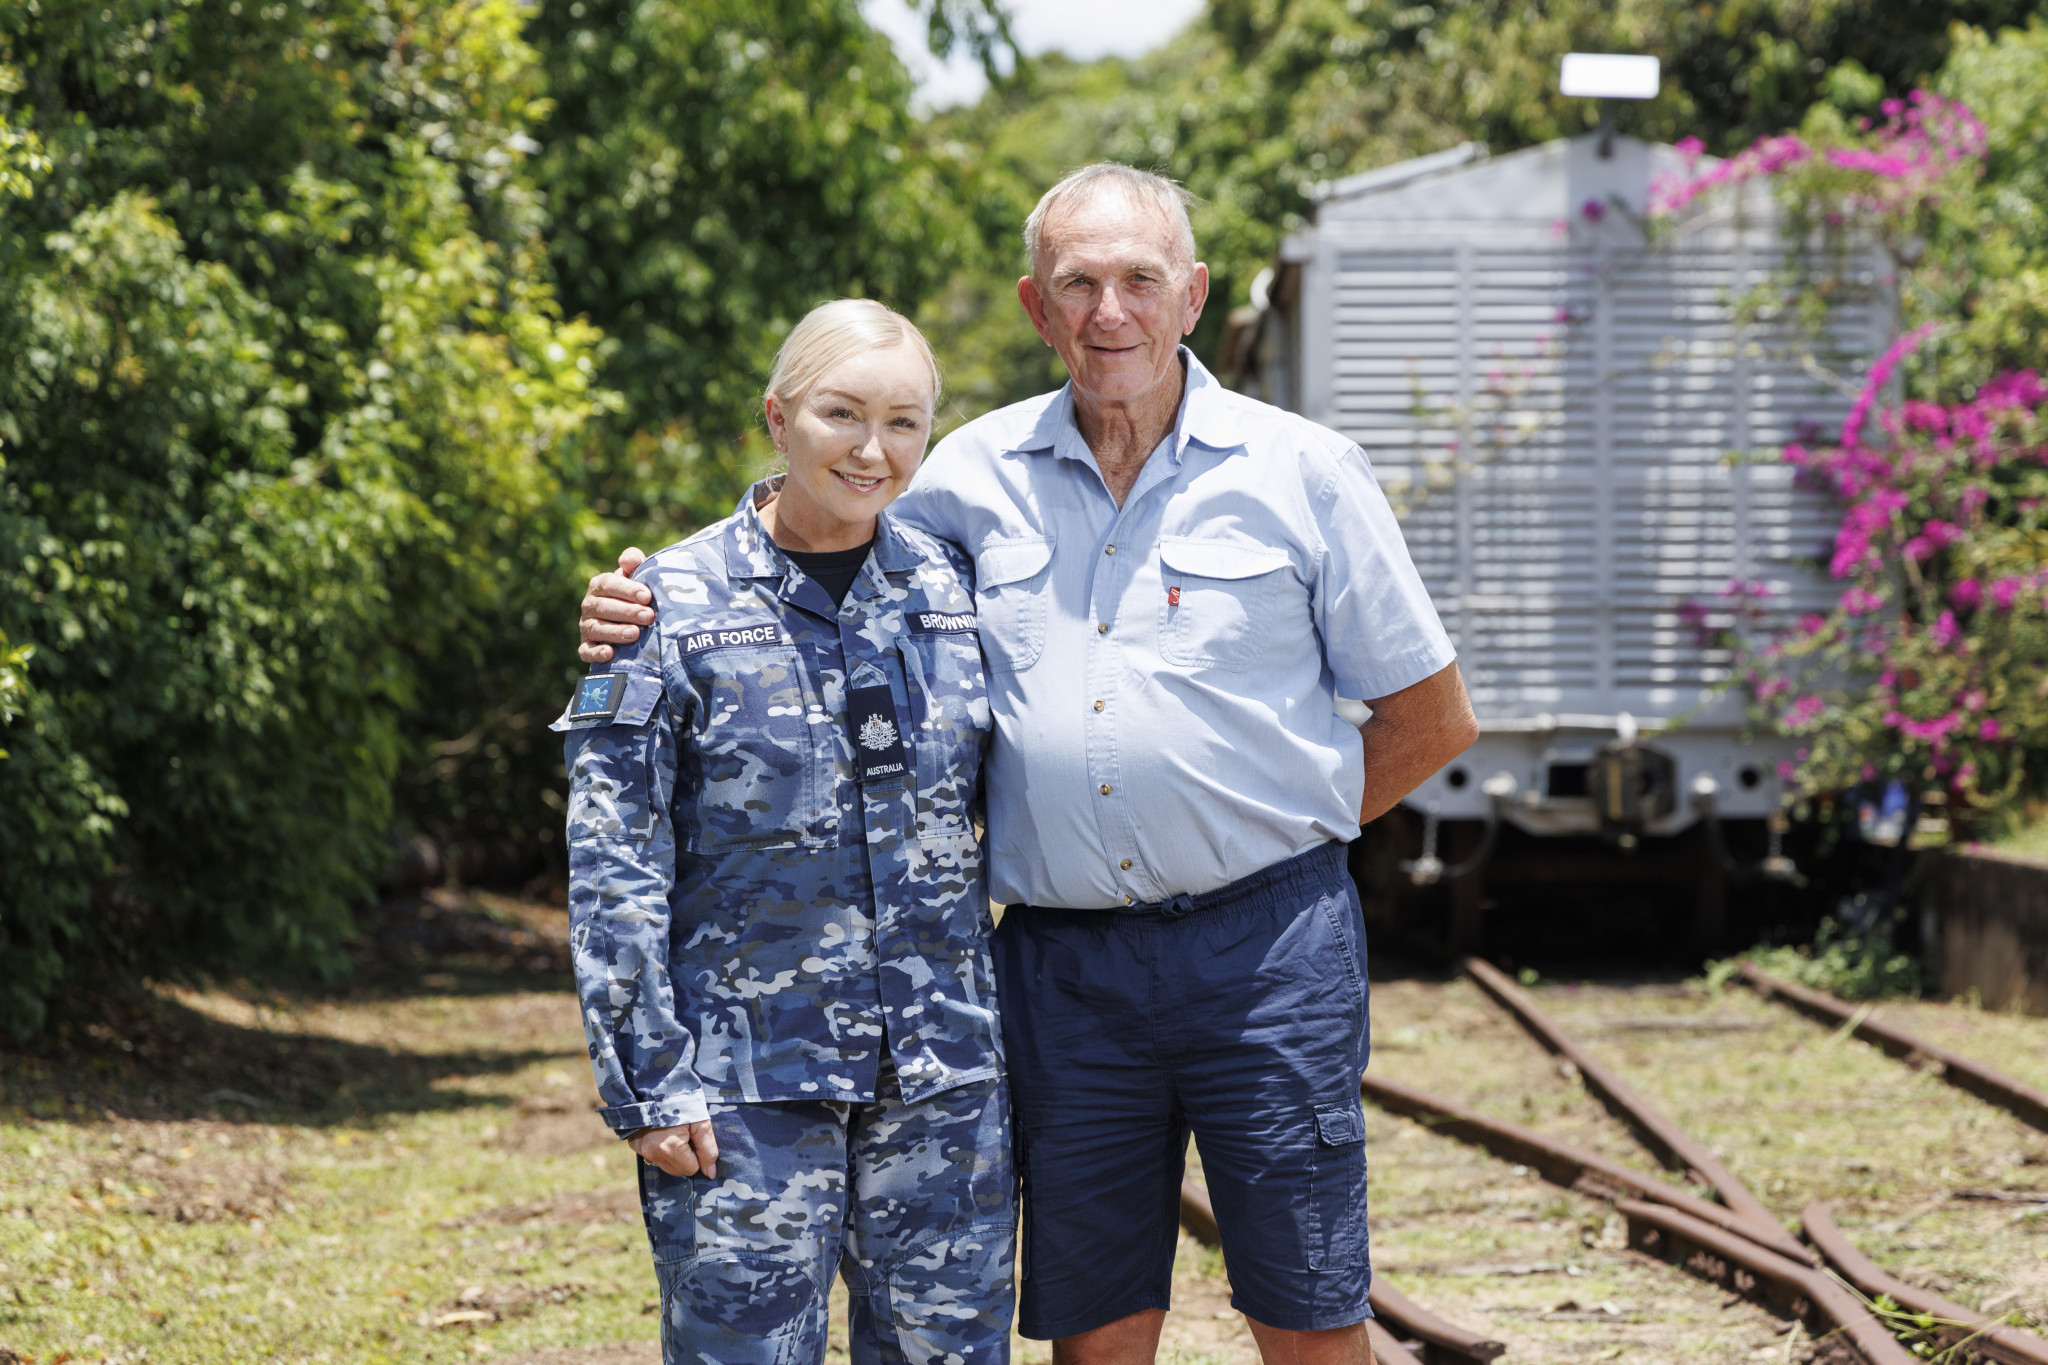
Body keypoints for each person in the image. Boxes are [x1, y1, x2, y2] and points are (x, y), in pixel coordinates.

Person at [581, 165, 1479, 1365]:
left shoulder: (1299, 470)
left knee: (1308, 1299)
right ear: (1034, 306)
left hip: (1251, 956)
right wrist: (638, 601)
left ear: (1193, 295)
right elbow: (814, 539)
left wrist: (1280, 825)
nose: (1110, 310)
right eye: (1077, 284)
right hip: (1050, 972)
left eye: (1139, 281)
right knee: (1093, 1319)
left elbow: (1431, 716)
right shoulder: (965, 480)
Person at [553, 298, 1013, 1364]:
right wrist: (647, 1082)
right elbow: (613, 865)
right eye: (839, 413)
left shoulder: (959, 592)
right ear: (776, 416)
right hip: (741, 1091)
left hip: (942, 1080)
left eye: (903, 422)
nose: (870, 449)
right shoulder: (664, 607)